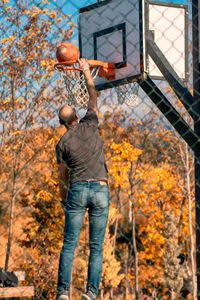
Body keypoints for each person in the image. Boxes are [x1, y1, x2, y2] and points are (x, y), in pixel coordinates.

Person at [55, 58, 109, 300]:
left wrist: (63, 199)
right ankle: (90, 293)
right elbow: (93, 96)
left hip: (77, 189)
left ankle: (64, 293)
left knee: (69, 245)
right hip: (100, 188)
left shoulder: (62, 143)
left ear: (61, 124)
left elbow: (62, 175)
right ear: (77, 116)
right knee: (96, 247)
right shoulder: (90, 124)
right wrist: (87, 72)